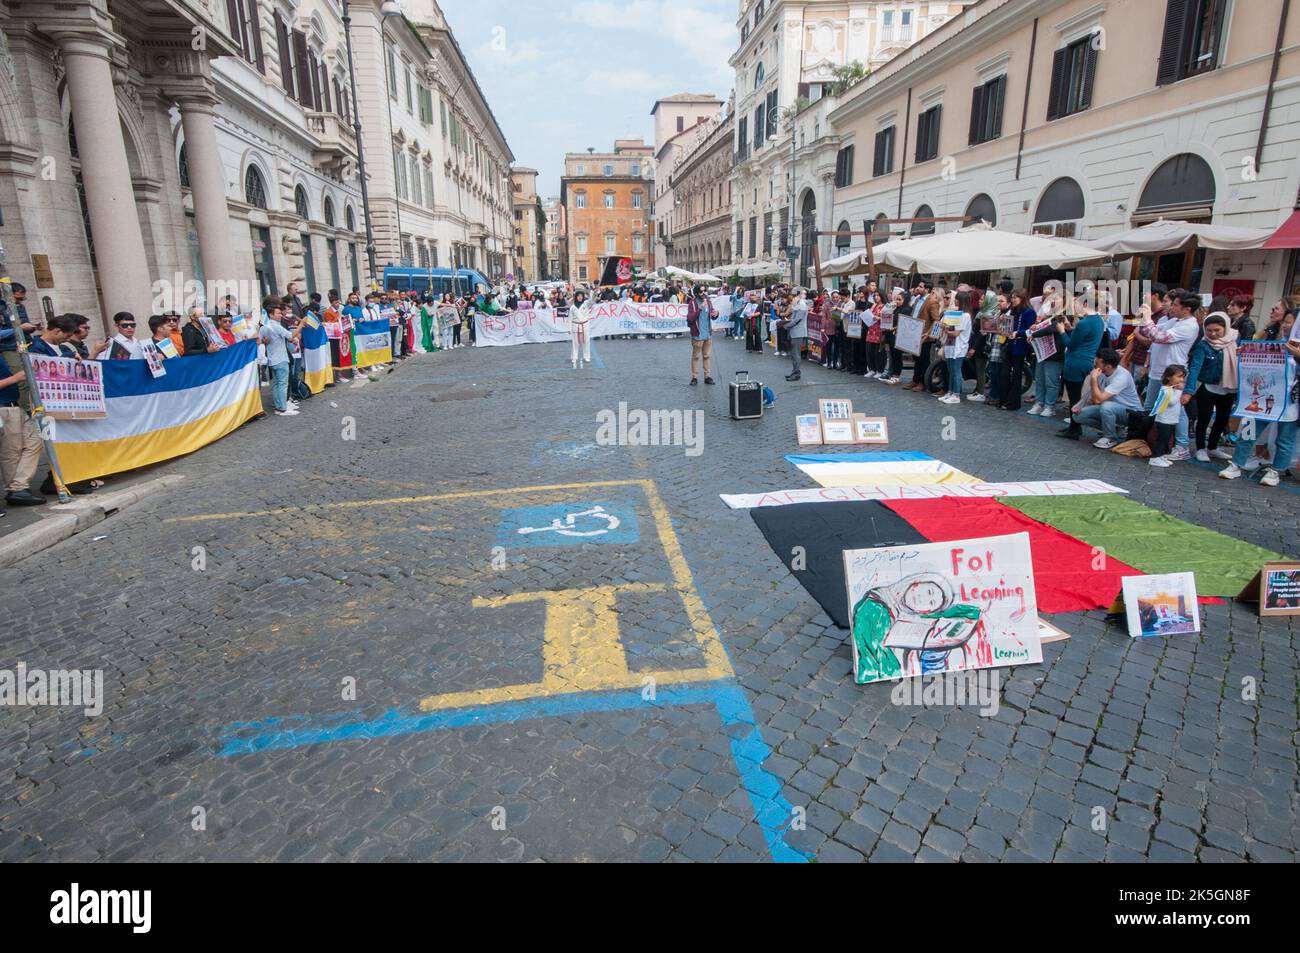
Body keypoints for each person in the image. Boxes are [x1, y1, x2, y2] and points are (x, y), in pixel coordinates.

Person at [1220, 318, 1300, 487]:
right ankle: (1236, 464)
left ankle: (1276, 470)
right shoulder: (1275, 344)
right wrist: (1247, 352)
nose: (1287, 325)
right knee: (1248, 432)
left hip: (1290, 403)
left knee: (1285, 439)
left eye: (1291, 323)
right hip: (1264, 399)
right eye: (1286, 322)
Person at [1137, 291, 1201, 462]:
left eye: (1175, 305)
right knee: (1150, 407)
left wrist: (1148, 318)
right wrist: (1145, 319)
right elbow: (1150, 332)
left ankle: (1181, 446)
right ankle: (1143, 440)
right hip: (1157, 371)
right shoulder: (1174, 320)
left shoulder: (1189, 325)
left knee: (1175, 410)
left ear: (1187, 309)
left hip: (1173, 375)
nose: (1171, 307)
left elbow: (1159, 337)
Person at [1185, 312, 1240, 463]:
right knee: (1204, 418)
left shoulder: (1235, 339)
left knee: (1222, 419)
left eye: (1217, 330)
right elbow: (1195, 367)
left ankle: (1213, 447)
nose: (1213, 334)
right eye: (1209, 330)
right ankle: (1201, 448)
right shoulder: (1203, 345)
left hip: (1228, 388)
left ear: (1226, 328)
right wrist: (1189, 391)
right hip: (1207, 386)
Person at [1072, 348, 1143, 449]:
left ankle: (1110, 438)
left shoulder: (1121, 377)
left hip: (1132, 413)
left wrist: (1093, 379)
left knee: (1106, 407)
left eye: (1097, 362)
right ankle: (1116, 430)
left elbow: (1099, 399)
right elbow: (1095, 400)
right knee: (1078, 416)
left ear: (1108, 366)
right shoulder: (1101, 372)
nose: (1095, 364)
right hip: (1112, 407)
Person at [1057, 295, 1105, 439]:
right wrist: (1070, 328)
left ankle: (1074, 428)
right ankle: (1074, 426)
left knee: (1074, 398)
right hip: (1087, 361)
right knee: (1076, 397)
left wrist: (1061, 331)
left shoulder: (1085, 323)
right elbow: (1084, 339)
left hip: (1075, 362)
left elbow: (1071, 345)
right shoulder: (1098, 320)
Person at [0, 358, 44, 508]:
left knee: (35, 440)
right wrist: (16, 378)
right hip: (4, 407)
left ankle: (18, 485)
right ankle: (16, 489)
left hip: (14, 405)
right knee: (12, 451)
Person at [260, 297, 301, 416]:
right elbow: (291, 335)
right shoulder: (276, 326)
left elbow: (260, 340)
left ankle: (279, 406)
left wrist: (264, 341)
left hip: (272, 359)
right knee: (282, 384)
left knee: (276, 384)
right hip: (281, 358)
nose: (280, 315)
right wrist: (301, 325)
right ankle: (282, 407)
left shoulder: (263, 327)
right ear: (271, 315)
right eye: (278, 313)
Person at [1148, 364, 1188, 468]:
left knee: (1167, 440)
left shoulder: (1173, 389)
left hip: (1171, 420)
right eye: (1179, 376)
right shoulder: (1165, 389)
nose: (1181, 379)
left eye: (1183, 377)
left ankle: (1162, 455)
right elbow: (1171, 402)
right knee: (1161, 440)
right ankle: (1155, 457)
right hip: (1163, 420)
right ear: (1168, 377)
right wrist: (1179, 391)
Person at [905, 280, 941, 392]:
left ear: (927, 289)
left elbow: (936, 320)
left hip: (924, 336)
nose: (918, 288)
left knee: (923, 359)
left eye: (920, 287)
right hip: (915, 333)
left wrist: (929, 332)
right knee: (916, 359)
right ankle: (915, 380)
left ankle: (923, 382)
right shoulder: (917, 299)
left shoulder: (932, 302)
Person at [938, 291, 972, 404]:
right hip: (951, 345)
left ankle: (956, 394)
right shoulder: (956, 313)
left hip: (959, 346)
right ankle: (951, 391)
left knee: (956, 370)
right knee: (951, 369)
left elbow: (957, 333)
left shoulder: (966, 315)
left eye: (958, 299)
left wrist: (946, 330)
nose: (956, 300)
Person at [687, 285, 715, 386]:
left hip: (707, 334)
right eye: (701, 292)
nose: (704, 293)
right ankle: (694, 377)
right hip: (697, 335)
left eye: (705, 291)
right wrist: (699, 309)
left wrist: (716, 314)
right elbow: (690, 318)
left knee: (707, 356)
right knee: (695, 357)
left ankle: (707, 376)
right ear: (696, 293)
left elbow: (712, 314)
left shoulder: (708, 301)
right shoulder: (693, 303)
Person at [785, 288, 809, 382]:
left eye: (794, 295)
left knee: (796, 354)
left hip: (798, 332)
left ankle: (796, 373)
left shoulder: (802, 305)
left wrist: (786, 325)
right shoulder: (798, 304)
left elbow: (797, 319)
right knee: (794, 354)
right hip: (795, 331)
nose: (792, 298)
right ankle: (794, 372)